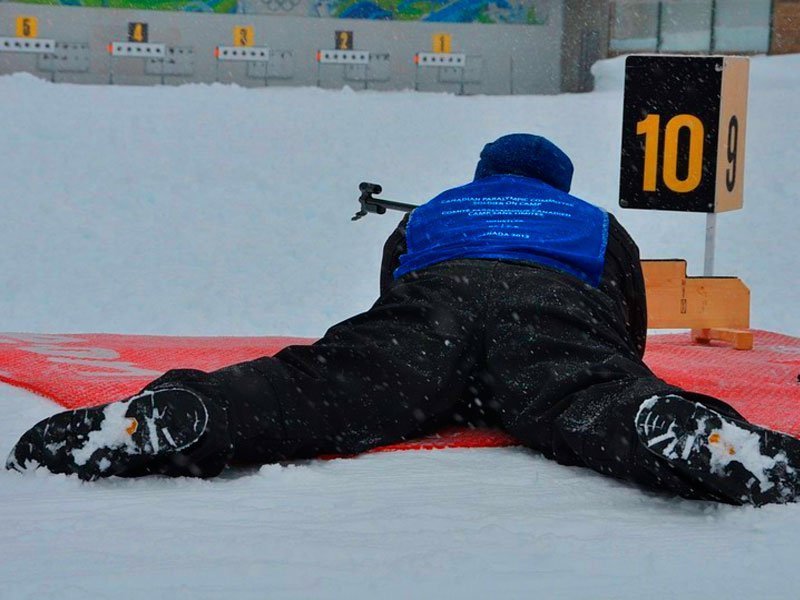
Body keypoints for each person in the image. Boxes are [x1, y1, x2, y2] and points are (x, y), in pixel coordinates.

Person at [6, 134, 800, 506]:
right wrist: (603, 366)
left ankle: (196, 412)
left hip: (433, 313)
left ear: (483, 174)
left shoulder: (438, 210)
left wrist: (414, 354)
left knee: (314, 389)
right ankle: (673, 428)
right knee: (595, 398)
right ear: (557, 184)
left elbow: (395, 288)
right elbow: (626, 319)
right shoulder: (592, 221)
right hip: (550, 313)